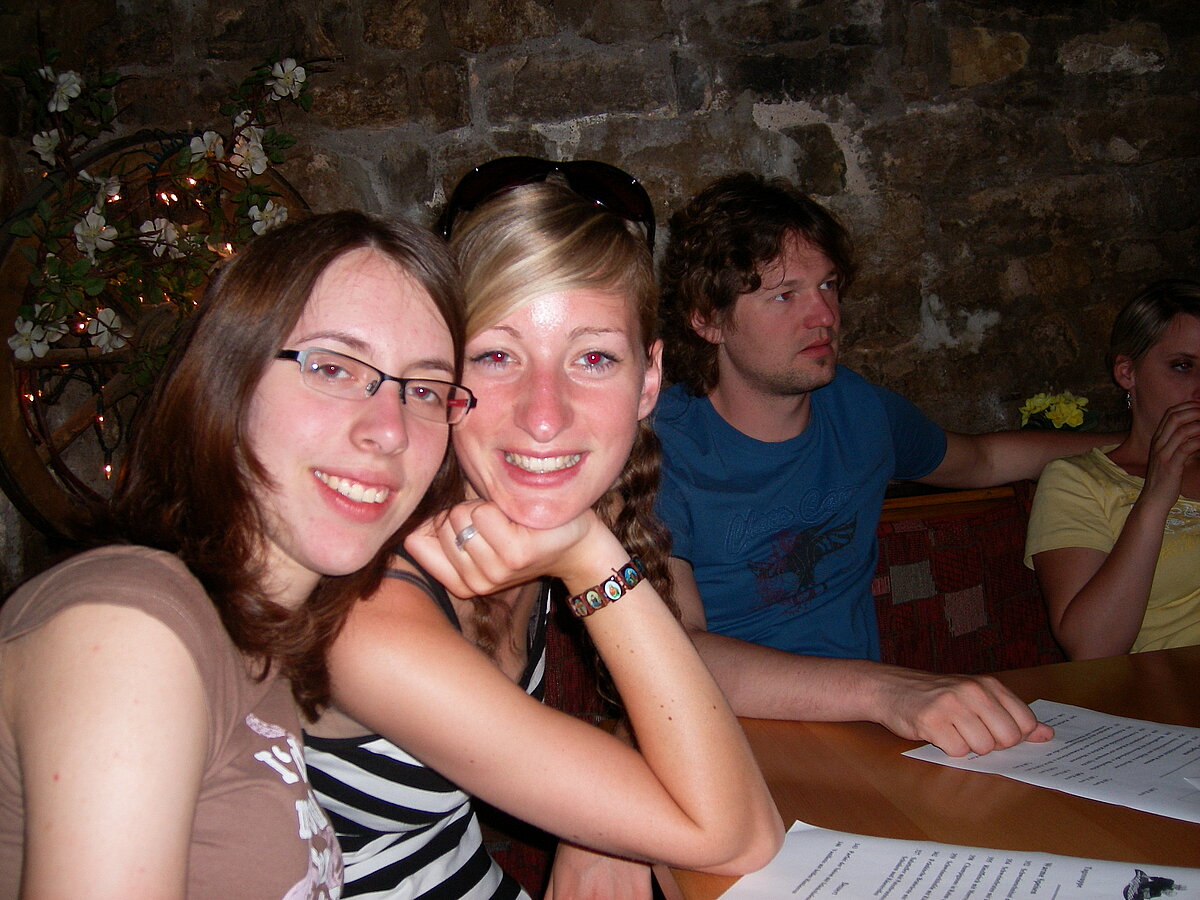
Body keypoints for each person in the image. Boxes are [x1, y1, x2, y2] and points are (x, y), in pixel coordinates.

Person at [303, 159, 783, 899]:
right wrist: (591, 556)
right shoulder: (370, 616)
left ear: (648, 379)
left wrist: (600, 816)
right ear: (441, 377)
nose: (545, 416)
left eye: (592, 357)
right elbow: (740, 834)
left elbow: (668, 686)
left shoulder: (543, 520)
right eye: (497, 356)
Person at [0, 210, 471, 898]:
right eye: (332, 368)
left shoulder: (257, 644)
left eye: (423, 390)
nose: (390, 430)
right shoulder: (132, 632)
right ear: (230, 376)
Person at [654, 173, 1116, 758]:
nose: (823, 316)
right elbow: (673, 650)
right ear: (708, 319)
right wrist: (891, 691)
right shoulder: (659, 450)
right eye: (785, 295)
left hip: (858, 735)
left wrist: (1136, 451)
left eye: (828, 286)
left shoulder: (859, 410)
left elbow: (983, 459)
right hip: (715, 739)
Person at [1025, 279, 1200, 658]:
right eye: (1183, 366)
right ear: (1127, 372)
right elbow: (1091, 648)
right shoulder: (1078, 481)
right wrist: (1155, 498)